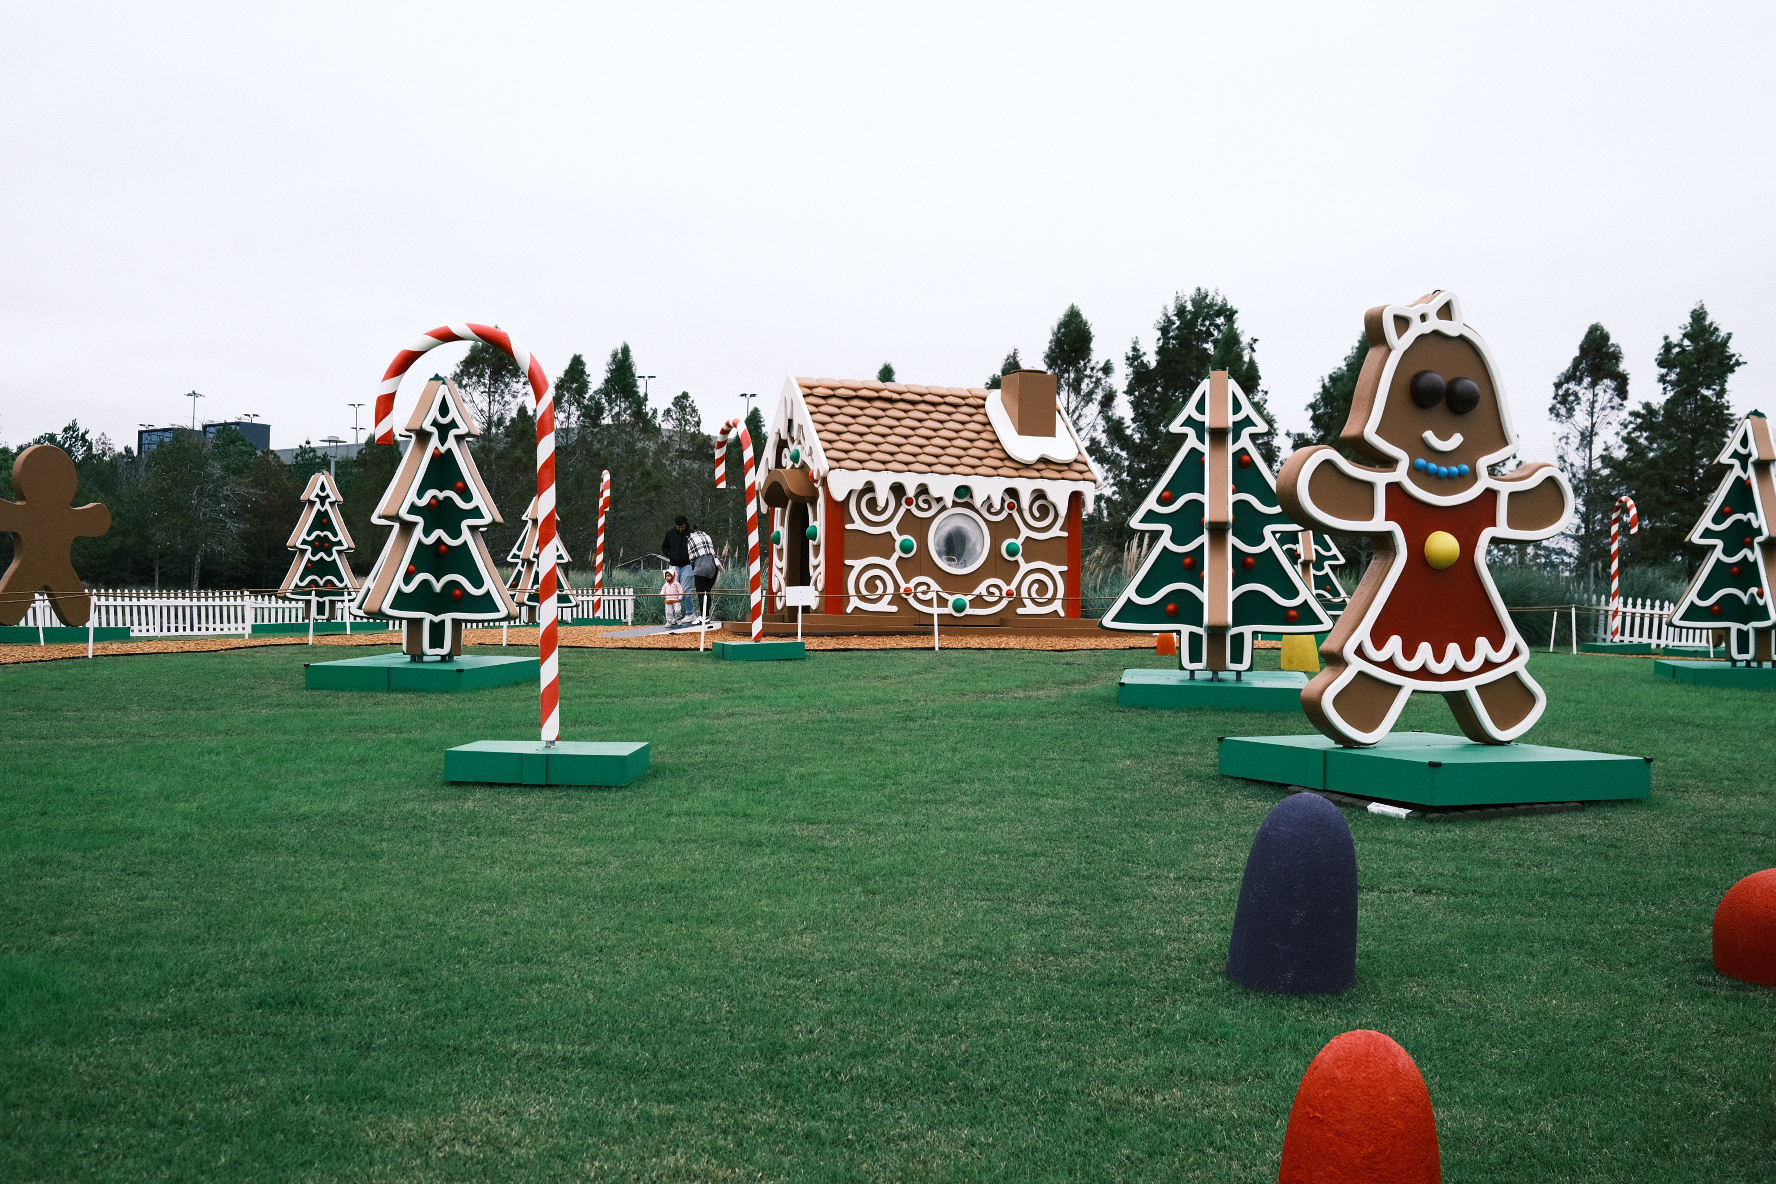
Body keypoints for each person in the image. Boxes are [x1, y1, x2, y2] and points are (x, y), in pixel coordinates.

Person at [687, 523, 720, 622]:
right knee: (707, 592)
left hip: (701, 568)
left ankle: (703, 616)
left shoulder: (690, 539)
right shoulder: (707, 536)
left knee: (701, 593)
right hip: (713, 567)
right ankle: (706, 616)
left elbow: (691, 557)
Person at [662, 517, 694, 603]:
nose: (680, 529)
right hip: (674, 564)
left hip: (687, 564)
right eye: (678, 527)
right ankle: (675, 611)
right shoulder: (670, 533)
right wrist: (670, 555)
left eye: (682, 527)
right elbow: (664, 547)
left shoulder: (692, 533)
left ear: (686, 524)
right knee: (672, 590)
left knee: (686, 590)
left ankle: (689, 611)